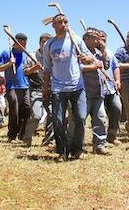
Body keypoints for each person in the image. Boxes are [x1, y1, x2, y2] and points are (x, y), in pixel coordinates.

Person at [43, 14, 93, 161]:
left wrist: (86, 58)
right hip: (58, 88)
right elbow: (47, 68)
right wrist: (46, 87)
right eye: (60, 22)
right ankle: (62, 151)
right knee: (58, 120)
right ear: (53, 25)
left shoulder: (75, 39)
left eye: (65, 22)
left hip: (77, 86)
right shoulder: (49, 45)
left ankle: (77, 149)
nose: (63, 24)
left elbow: (89, 57)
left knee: (80, 117)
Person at [0, 33, 31, 143]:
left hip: (25, 86)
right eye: (21, 44)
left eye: (25, 44)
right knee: (14, 109)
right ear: (15, 43)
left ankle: (22, 135)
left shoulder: (26, 54)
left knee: (27, 109)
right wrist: (9, 63)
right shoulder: (7, 53)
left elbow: (28, 70)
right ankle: (12, 135)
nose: (24, 46)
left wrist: (35, 67)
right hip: (12, 86)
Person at [22, 33, 52, 147]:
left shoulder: (53, 56)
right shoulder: (32, 56)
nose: (44, 44)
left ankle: (48, 140)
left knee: (53, 114)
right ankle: (27, 138)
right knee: (36, 116)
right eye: (43, 41)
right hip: (37, 89)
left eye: (47, 42)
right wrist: (34, 68)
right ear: (39, 43)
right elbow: (25, 72)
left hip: (51, 89)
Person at [81, 29, 108, 155]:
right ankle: (76, 144)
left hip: (98, 91)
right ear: (86, 38)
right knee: (80, 119)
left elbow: (106, 66)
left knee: (100, 118)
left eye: (98, 38)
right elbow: (75, 68)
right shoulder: (79, 51)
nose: (98, 41)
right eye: (95, 38)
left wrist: (103, 52)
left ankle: (99, 145)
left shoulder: (98, 53)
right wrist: (92, 67)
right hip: (84, 92)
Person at [95, 29, 123, 145]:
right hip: (97, 88)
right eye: (100, 39)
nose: (102, 42)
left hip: (110, 88)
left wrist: (117, 80)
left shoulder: (110, 53)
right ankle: (99, 140)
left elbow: (115, 67)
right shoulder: (91, 53)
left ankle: (111, 136)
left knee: (117, 109)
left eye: (104, 39)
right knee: (100, 115)